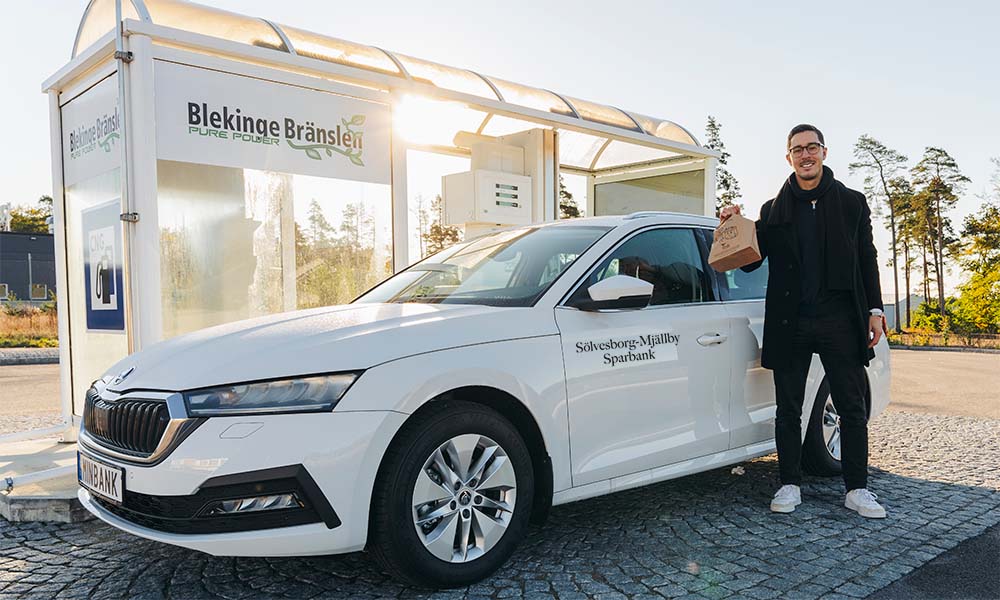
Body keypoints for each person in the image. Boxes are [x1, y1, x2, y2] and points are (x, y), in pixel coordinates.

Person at [720, 124, 887, 518]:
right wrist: (731, 223)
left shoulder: (852, 203)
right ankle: (789, 484)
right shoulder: (773, 210)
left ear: (824, 153)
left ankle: (857, 489)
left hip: (840, 319)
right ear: (788, 157)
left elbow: (867, 258)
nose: (805, 154)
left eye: (812, 147)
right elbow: (747, 264)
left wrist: (875, 310)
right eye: (798, 149)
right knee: (788, 408)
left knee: (851, 406)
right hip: (789, 322)